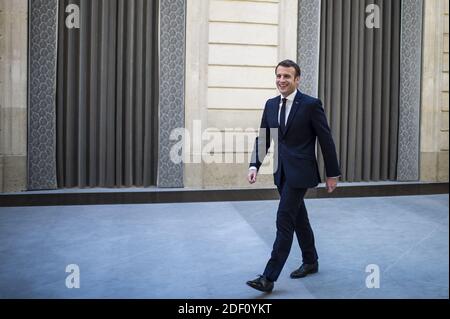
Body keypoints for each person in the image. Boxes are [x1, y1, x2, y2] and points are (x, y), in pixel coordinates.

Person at [246, 59, 341, 293]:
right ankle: (311, 260)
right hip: (282, 172)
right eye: (279, 76)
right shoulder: (270, 105)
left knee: (284, 220)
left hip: (301, 172)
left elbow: (325, 139)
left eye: (287, 76)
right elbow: (264, 138)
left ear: (297, 79)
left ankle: (268, 277)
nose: (282, 80)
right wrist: (254, 165)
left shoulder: (310, 104)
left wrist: (332, 173)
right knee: (299, 218)